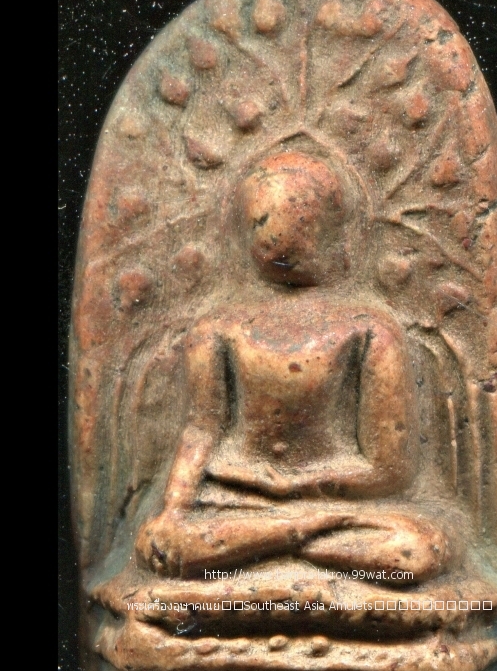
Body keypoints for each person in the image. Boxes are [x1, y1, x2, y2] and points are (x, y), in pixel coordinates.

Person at [136, 152, 453, 581]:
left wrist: (297, 487)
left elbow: (392, 470)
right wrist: (174, 509)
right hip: (236, 499)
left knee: (418, 549)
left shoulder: (369, 330)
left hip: (336, 507)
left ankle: (277, 541)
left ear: (337, 232)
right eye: (262, 221)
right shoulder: (217, 329)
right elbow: (202, 429)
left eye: (300, 218)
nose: (277, 236)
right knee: (159, 544)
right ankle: (296, 539)